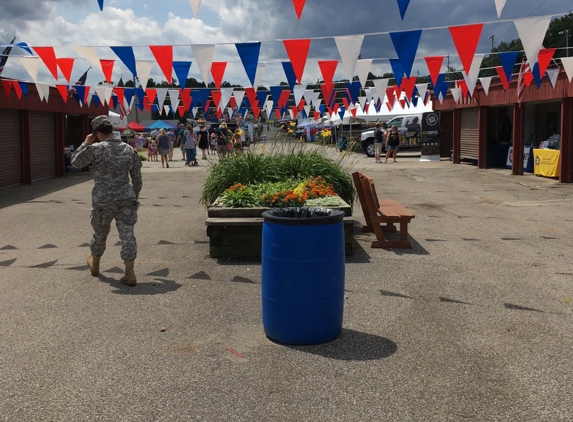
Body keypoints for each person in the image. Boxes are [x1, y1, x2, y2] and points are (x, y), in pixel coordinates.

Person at [70, 115, 142, 286]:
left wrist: (86, 143)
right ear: (112, 131)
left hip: (103, 200)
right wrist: (134, 197)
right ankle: (129, 272)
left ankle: (95, 265)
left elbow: (75, 162)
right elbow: (137, 179)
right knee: (127, 235)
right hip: (126, 198)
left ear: (97, 133)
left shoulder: (96, 148)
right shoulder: (128, 149)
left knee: (100, 233)